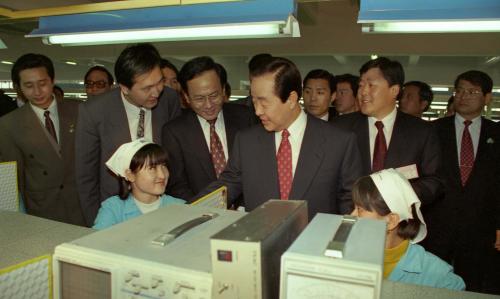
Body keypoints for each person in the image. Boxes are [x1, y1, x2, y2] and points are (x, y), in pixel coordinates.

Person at [197, 56, 362, 218]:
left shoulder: (339, 142)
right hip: (260, 239)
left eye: (264, 102)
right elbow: (226, 187)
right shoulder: (247, 141)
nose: (257, 111)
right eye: (254, 101)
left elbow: (349, 204)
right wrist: (185, 213)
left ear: (291, 99)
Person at [76, 43, 181, 226]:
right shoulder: (94, 112)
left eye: (159, 82)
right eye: (147, 88)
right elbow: (86, 177)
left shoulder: (169, 100)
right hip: (116, 214)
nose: (156, 92)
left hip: (162, 208)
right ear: (124, 88)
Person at [426, 70, 500, 294]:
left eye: (472, 91)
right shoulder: (433, 130)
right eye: (459, 90)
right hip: (436, 224)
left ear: (487, 98)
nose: (463, 96)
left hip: (480, 227)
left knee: (473, 285)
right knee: (431, 284)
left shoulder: (497, 133)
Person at [332, 57, 441, 206]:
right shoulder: (340, 127)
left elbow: (434, 181)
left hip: (400, 220)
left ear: (394, 90)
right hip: (352, 217)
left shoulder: (422, 131)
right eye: (361, 85)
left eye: (371, 85)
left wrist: (399, 194)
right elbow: (330, 180)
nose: (363, 92)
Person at [0, 53, 85, 225]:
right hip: (42, 209)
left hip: (82, 203)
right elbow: (15, 177)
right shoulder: (9, 124)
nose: (37, 92)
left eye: (42, 83)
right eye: (29, 86)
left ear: (52, 80)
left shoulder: (79, 111)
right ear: (19, 87)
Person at [352, 169, 465, 291]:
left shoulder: (440, 279)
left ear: (391, 221)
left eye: (360, 209)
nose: (351, 215)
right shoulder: (345, 259)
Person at [162, 56, 254, 201]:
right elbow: (177, 185)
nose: (208, 105)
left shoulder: (247, 118)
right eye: (199, 98)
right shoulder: (174, 132)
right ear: (186, 97)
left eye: (214, 95)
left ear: (223, 90)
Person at [93, 139, 184, 229]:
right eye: (152, 168)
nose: (162, 175)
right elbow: (95, 242)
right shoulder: (113, 209)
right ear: (130, 175)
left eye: (164, 166)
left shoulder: (180, 207)